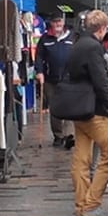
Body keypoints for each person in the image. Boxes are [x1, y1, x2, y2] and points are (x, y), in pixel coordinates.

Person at [67, 10, 108, 216]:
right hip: (95, 111)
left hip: (77, 109)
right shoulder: (93, 48)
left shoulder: (76, 45)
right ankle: (90, 203)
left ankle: (80, 204)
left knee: (81, 159)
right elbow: (101, 83)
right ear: (102, 28)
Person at [34, 15, 76, 149]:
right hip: (50, 79)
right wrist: (39, 72)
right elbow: (39, 56)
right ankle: (58, 136)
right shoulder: (45, 39)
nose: (57, 23)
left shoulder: (72, 37)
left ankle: (69, 135)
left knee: (69, 106)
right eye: (55, 21)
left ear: (63, 22)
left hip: (69, 79)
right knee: (55, 108)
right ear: (51, 23)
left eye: (59, 21)